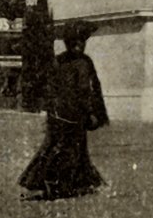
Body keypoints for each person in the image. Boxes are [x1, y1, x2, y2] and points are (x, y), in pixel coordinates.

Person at [19, 22, 108, 200]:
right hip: (75, 115)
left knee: (57, 147)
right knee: (72, 150)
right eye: (76, 42)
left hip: (57, 114)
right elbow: (85, 90)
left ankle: (60, 182)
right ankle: (61, 184)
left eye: (79, 42)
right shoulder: (83, 62)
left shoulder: (58, 60)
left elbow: (47, 84)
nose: (78, 46)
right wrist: (91, 112)